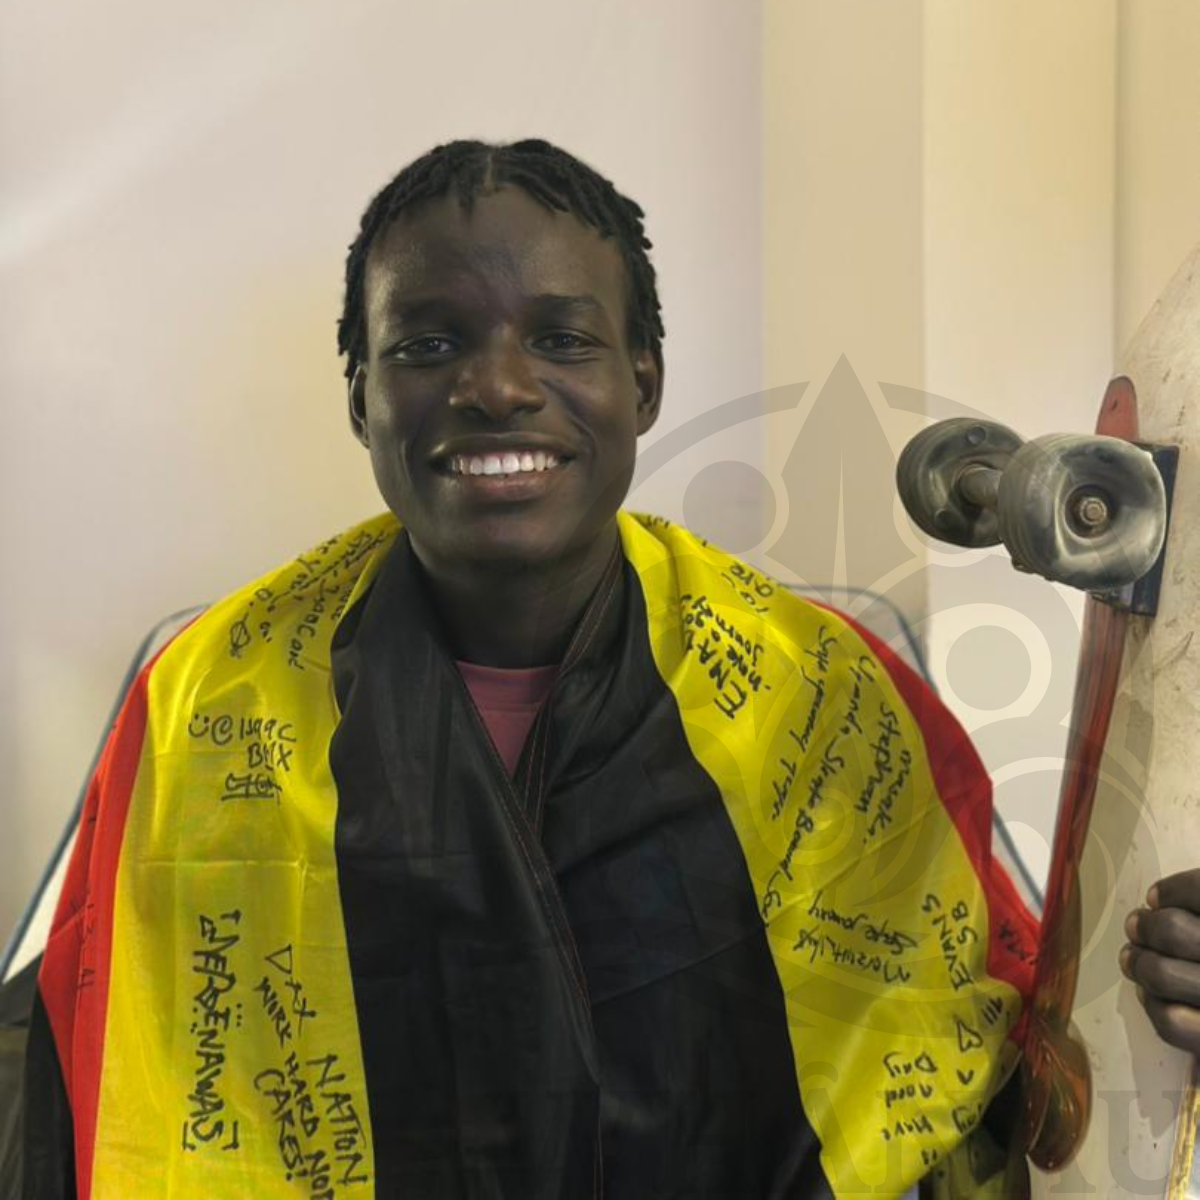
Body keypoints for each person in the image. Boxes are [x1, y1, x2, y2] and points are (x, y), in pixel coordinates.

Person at [3, 138, 1199, 1199]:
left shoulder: (826, 695)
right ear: (362, 398)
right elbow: (84, 1064)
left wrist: (1170, 994)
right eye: (427, 344)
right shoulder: (206, 702)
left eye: (564, 339)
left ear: (645, 384)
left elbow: (1010, 1054)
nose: (496, 387)